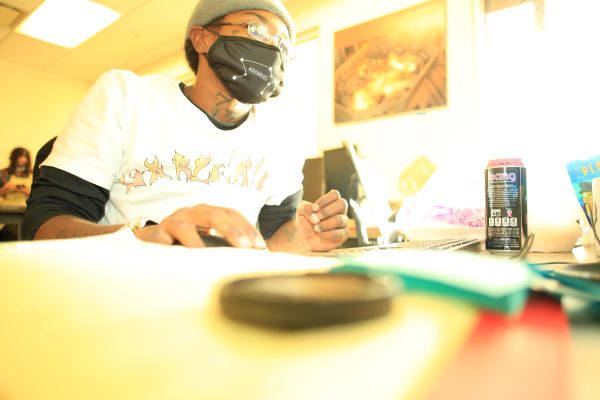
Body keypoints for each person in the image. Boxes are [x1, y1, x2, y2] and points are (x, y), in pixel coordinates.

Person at [22, 0, 349, 252]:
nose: (272, 49)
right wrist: (146, 237)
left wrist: (301, 236)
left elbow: (273, 238)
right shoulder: (126, 96)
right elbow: (44, 225)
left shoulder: (283, 136)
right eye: (256, 30)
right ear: (202, 39)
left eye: (283, 45)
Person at [0, 147, 32, 241]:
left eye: (23, 165)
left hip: (26, 209)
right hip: (6, 209)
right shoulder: (4, 174)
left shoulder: (33, 174)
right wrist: (6, 189)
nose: (20, 167)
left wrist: (27, 192)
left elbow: (39, 195)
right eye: (18, 164)